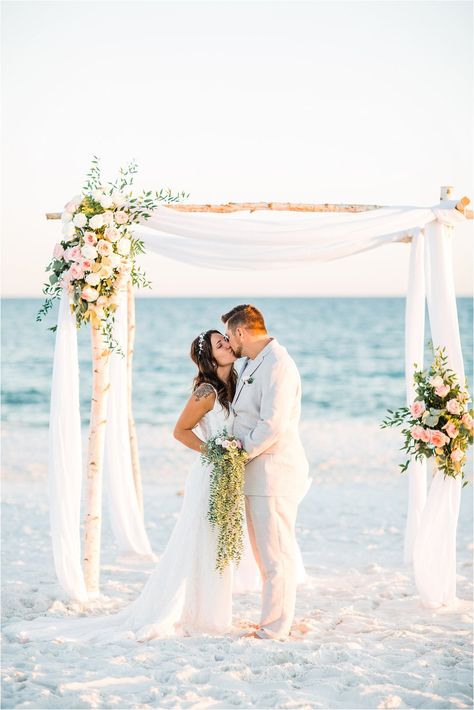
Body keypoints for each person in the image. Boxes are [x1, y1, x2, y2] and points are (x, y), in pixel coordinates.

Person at [5, 330, 260, 643]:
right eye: (221, 344)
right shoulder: (207, 391)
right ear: (210, 357)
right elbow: (180, 431)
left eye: (227, 340)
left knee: (219, 546)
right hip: (210, 476)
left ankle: (212, 613)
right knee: (200, 545)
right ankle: (199, 615)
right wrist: (215, 450)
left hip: (228, 476)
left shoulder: (236, 384)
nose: (228, 345)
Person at [222, 305, 309, 641]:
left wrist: (238, 455)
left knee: (276, 556)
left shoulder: (278, 365)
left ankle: (275, 628)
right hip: (259, 475)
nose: (230, 343)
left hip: (274, 472)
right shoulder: (255, 362)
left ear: (241, 332)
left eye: (230, 335)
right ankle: (270, 619)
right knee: (264, 557)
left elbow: (271, 425)